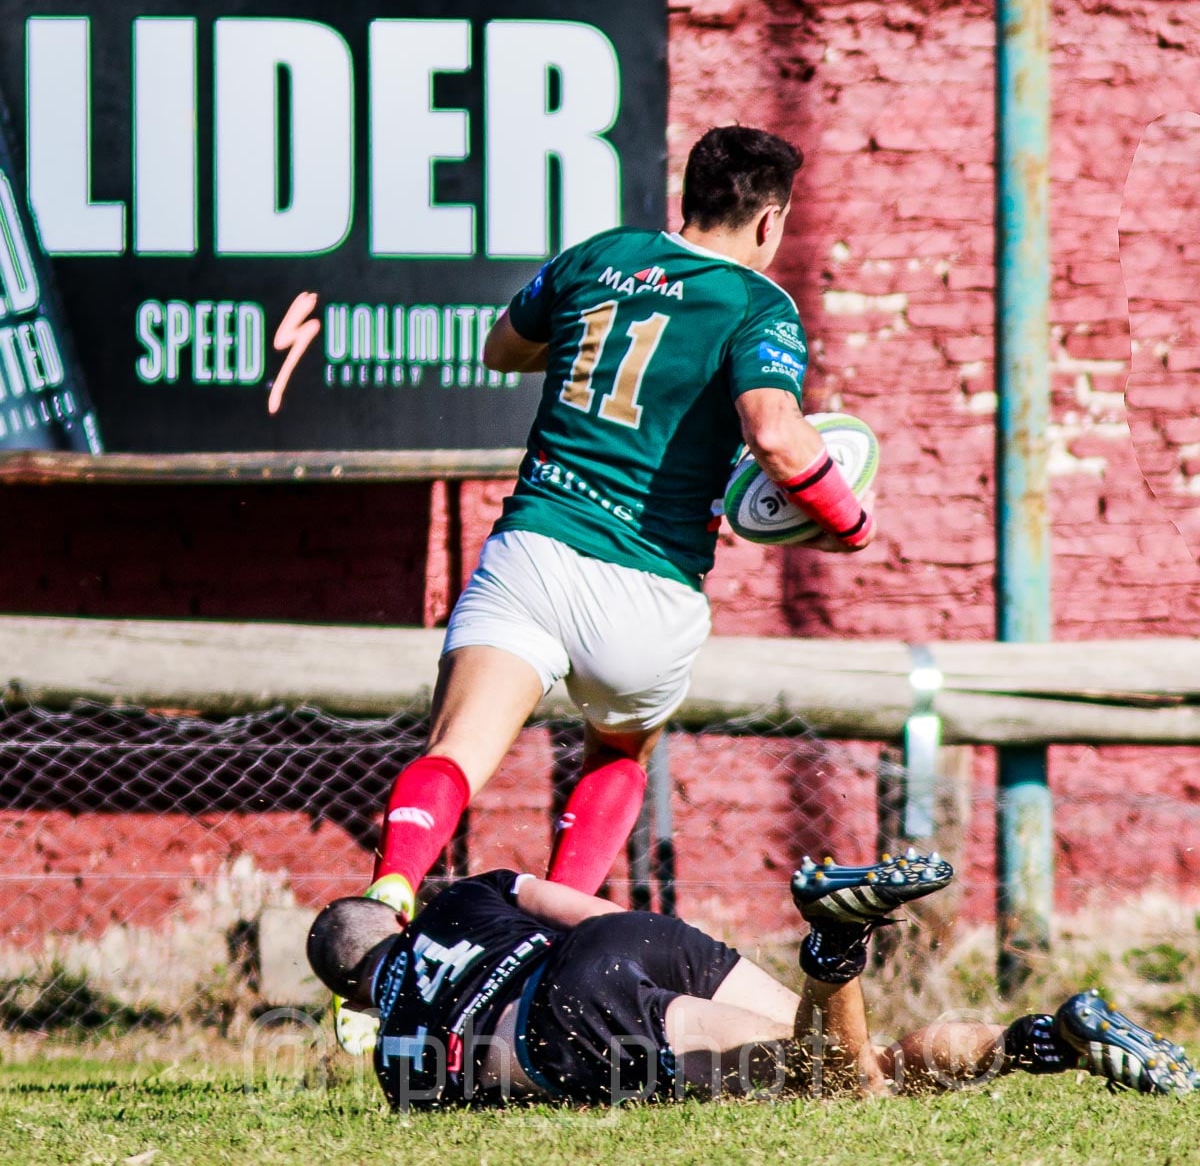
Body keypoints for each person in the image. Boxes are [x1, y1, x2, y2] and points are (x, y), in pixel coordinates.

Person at [336, 124, 878, 1052]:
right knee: (616, 753)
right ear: (769, 221)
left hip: (534, 551)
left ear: (689, 197)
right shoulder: (758, 304)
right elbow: (777, 435)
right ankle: (554, 931)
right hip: (649, 588)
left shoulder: (598, 257)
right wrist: (850, 522)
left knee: (456, 752)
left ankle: (386, 909)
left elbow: (503, 349)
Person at [307, 851, 1199, 1106]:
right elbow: (578, 907)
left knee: (826, 1083)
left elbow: (488, 1091)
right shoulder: (465, 895)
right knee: (858, 1066)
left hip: (568, 1014)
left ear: (350, 996)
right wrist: (643, 948)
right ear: (397, 919)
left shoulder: (393, 1056)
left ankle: (836, 946)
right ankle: (1049, 1040)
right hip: (625, 938)